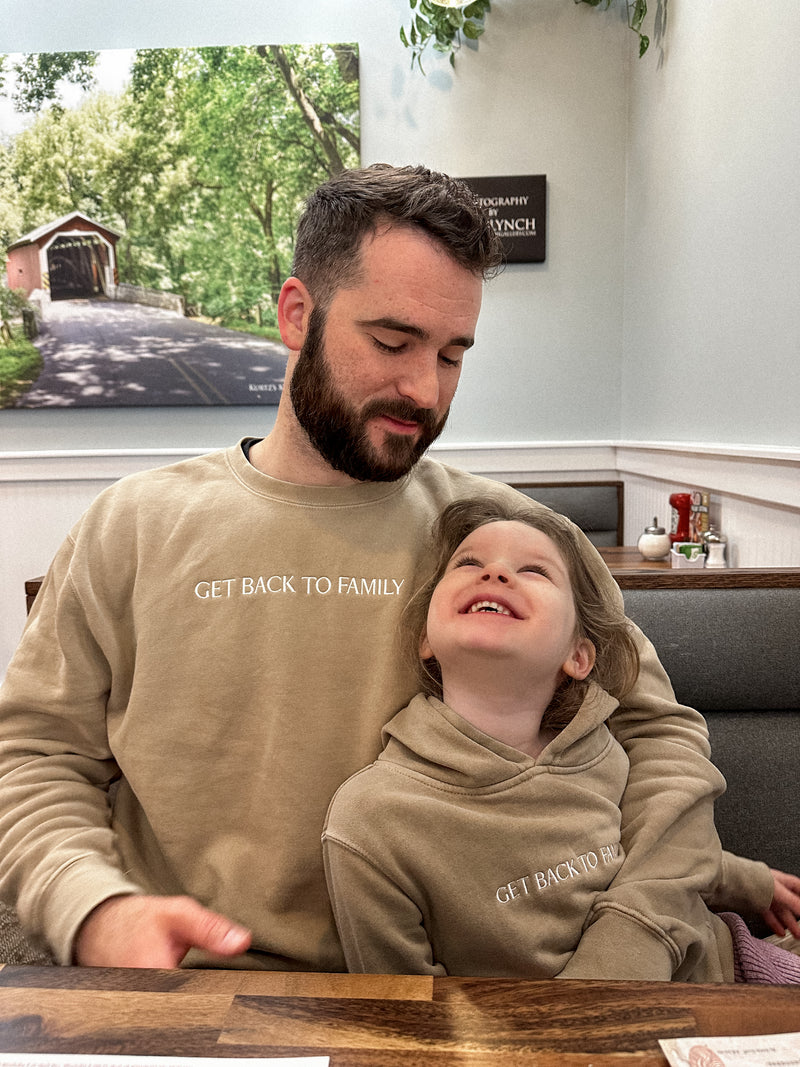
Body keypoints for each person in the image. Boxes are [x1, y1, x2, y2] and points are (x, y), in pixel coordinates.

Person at [0, 163, 786, 974]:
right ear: (297, 315)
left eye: (452, 355)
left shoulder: (516, 540)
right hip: (200, 990)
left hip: (487, 990)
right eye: (391, 342)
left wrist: (633, 938)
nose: (424, 388)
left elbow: (658, 739)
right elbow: (36, 756)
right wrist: (91, 904)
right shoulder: (131, 526)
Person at [322, 498, 800, 981]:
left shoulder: (601, 747)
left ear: (579, 656)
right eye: (468, 563)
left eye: (534, 570)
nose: (495, 573)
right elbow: (409, 1010)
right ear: (425, 637)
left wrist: (750, 882)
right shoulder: (372, 819)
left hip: (734, 966)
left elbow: (645, 844)